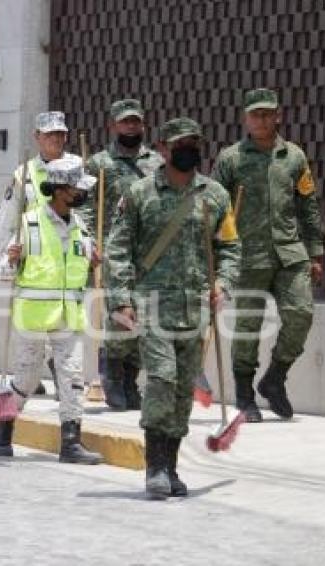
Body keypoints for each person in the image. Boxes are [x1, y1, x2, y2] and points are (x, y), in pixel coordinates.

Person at [106, 118, 240, 499]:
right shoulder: (139, 194)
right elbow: (118, 249)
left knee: (183, 391)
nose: (189, 149)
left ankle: (172, 466)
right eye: (180, 143)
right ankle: (155, 468)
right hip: (153, 305)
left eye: (195, 142)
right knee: (162, 380)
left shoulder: (215, 195)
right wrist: (120, 299)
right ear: (162, 148)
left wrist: (223, 283)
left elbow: (230, 247)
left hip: (195, 307)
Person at [212, 88, 325, 423]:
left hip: (290, 254)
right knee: (248, 327)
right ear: (245, 118)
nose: (261, 119)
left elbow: (309, 206)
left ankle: (275, 378)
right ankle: (245, 395)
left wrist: (315, 251)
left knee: (301, 314)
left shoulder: (294, 157)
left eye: (267, 113)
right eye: (255, 114)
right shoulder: (230, 159)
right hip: (247, 256)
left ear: (278, 115)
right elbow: (216, 207)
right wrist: (218, 255)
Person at [0, 157, 104, 465]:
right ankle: (3, 426)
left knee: (72, 376)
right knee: (27, 379)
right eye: (76, 188)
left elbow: (83, 267)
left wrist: (94, 262)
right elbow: (3, 271)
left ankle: (71, 442)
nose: (81, 193)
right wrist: (11, 260)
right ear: (59, 190)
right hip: (33, 318)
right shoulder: (28, 224)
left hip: (69, 316)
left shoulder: (80, 226)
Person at [84, 99, 164, 410]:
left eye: (136, 122)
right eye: (125, 122)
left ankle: (131, 380)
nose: (131, 127)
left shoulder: (156, 162)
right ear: (113, 126)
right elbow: (86, 207)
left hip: (149, 251)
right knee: (120, 314)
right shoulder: (99, 163)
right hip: (114, 251)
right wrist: (92, 242)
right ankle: (113, 376)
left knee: (144, 316)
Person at [0, 111, 81, 396]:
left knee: (66, 328)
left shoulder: (78, 169)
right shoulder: (24, 174)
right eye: (50, 135)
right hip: (34, 262)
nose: (56, 140)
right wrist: (10, 255)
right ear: (37, 138)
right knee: (35, 326)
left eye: (60, 134)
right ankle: (28, 379)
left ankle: (63, 381)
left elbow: (86, 215)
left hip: (68, 260)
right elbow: (6, 223)